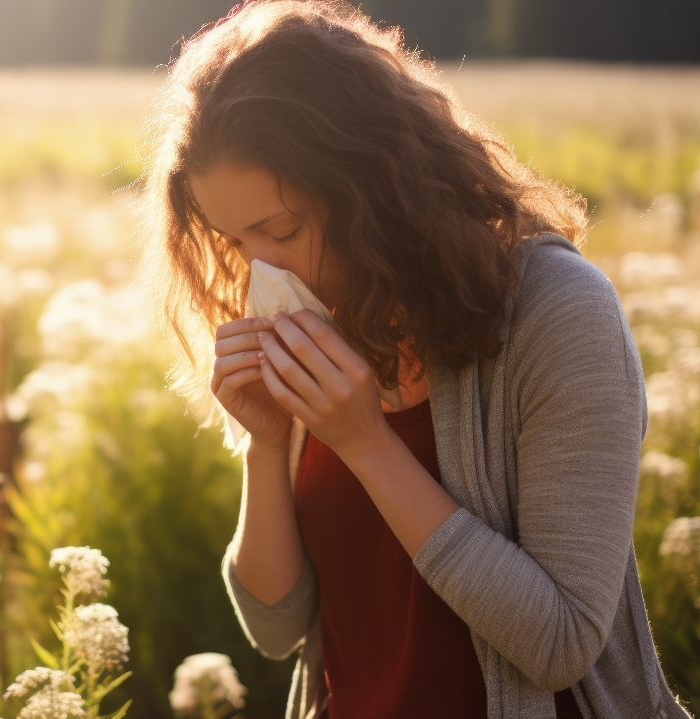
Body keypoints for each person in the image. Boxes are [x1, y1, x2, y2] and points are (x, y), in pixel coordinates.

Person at [129, 1, 696, 717]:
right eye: (238, 242)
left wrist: (365, 443)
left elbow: (561, 642)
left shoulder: (558, 313)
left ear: (369, 184)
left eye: (281, 230)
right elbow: (277, 629)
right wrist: (267, 447)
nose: (260, 272)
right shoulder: (324, 320)